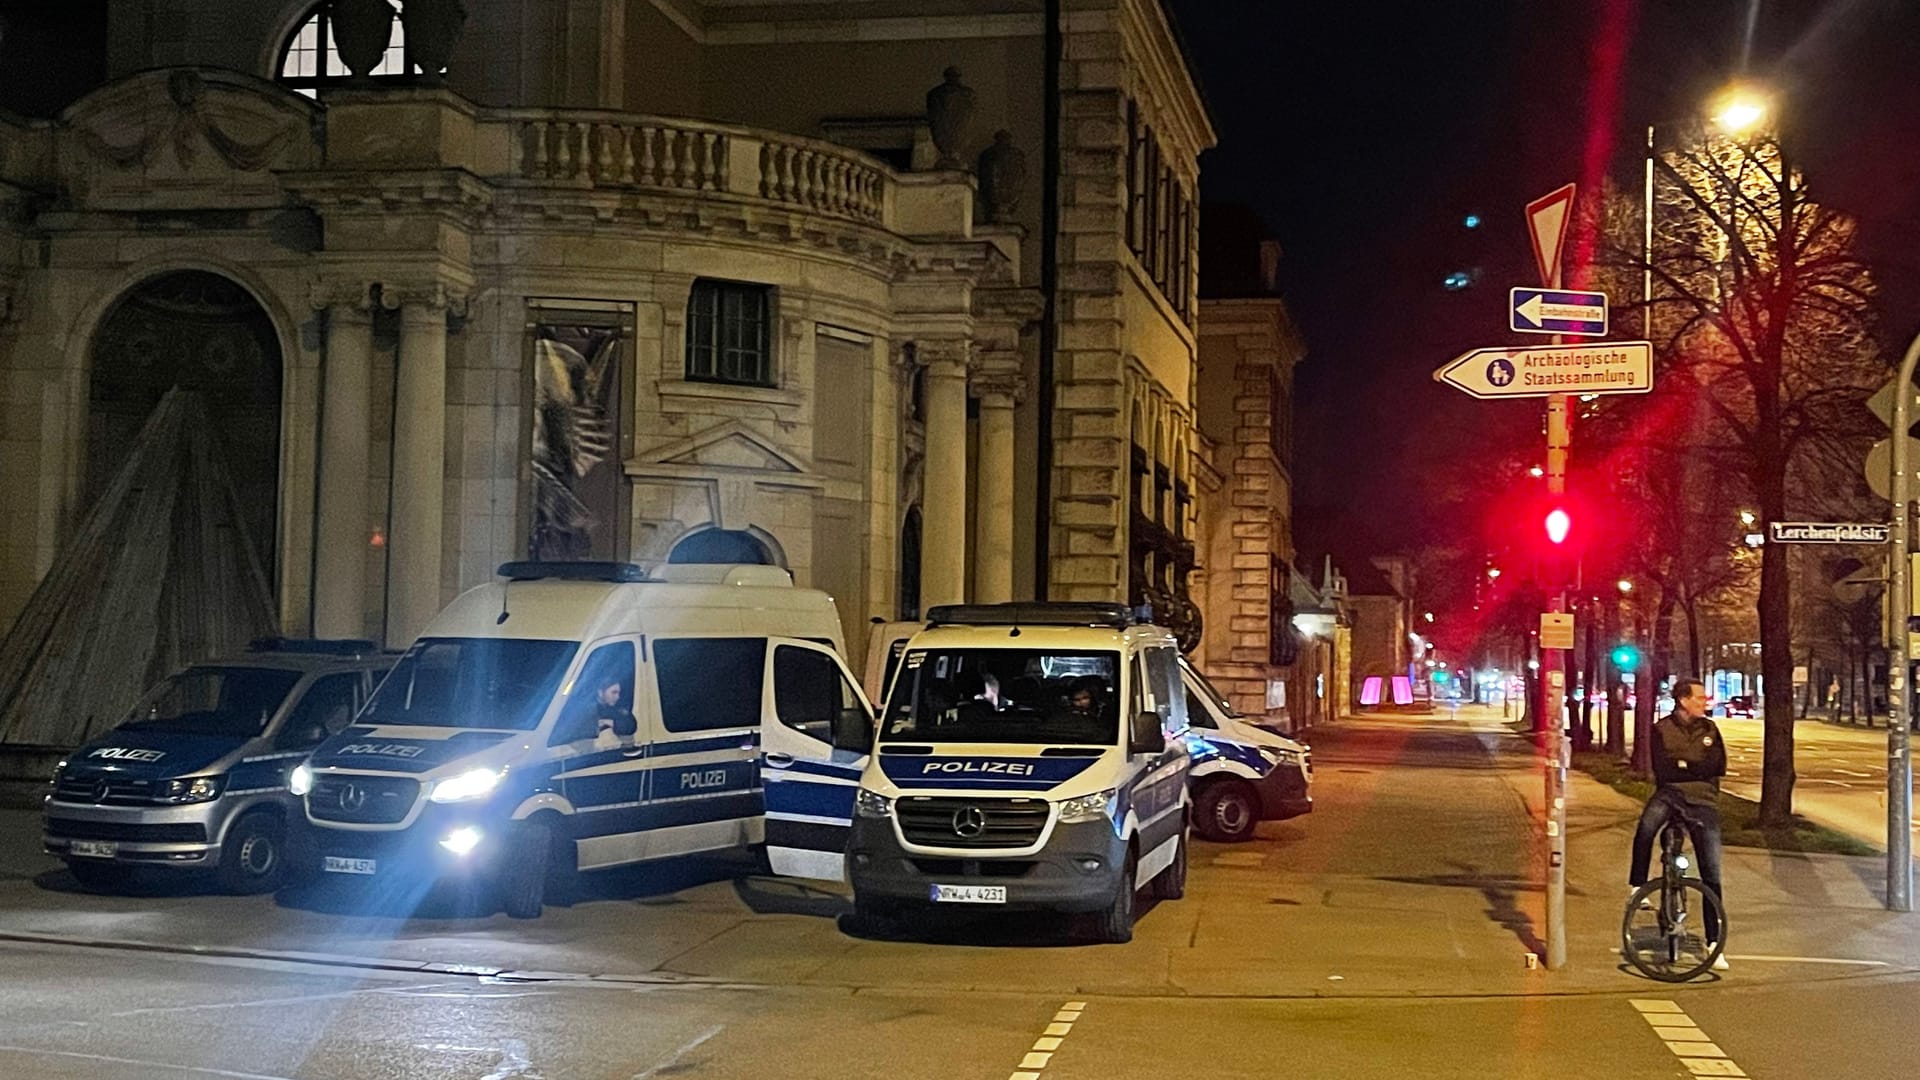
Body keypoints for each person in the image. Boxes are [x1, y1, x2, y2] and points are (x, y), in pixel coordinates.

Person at [1628, 676, 1728, 969]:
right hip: (1670, 795)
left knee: (1711, 871)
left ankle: (1714, 942)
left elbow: (1718, 766)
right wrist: (1694, 767)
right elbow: (1663, 769)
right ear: (1683, 700)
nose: (1704, 702)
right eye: (1699, 698)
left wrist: (1684, 765)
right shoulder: (1662, 729)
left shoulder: (1710, 729)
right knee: (1647, 827)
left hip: (1703, 801)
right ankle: (1637, 885)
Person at [592, 676, 637, 749]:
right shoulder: (590, 711)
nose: (618, 697)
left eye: (618, 693)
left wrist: (611, 723)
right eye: (614, 692)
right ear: (600, 693)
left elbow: (630, 725)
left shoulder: (617, 709)